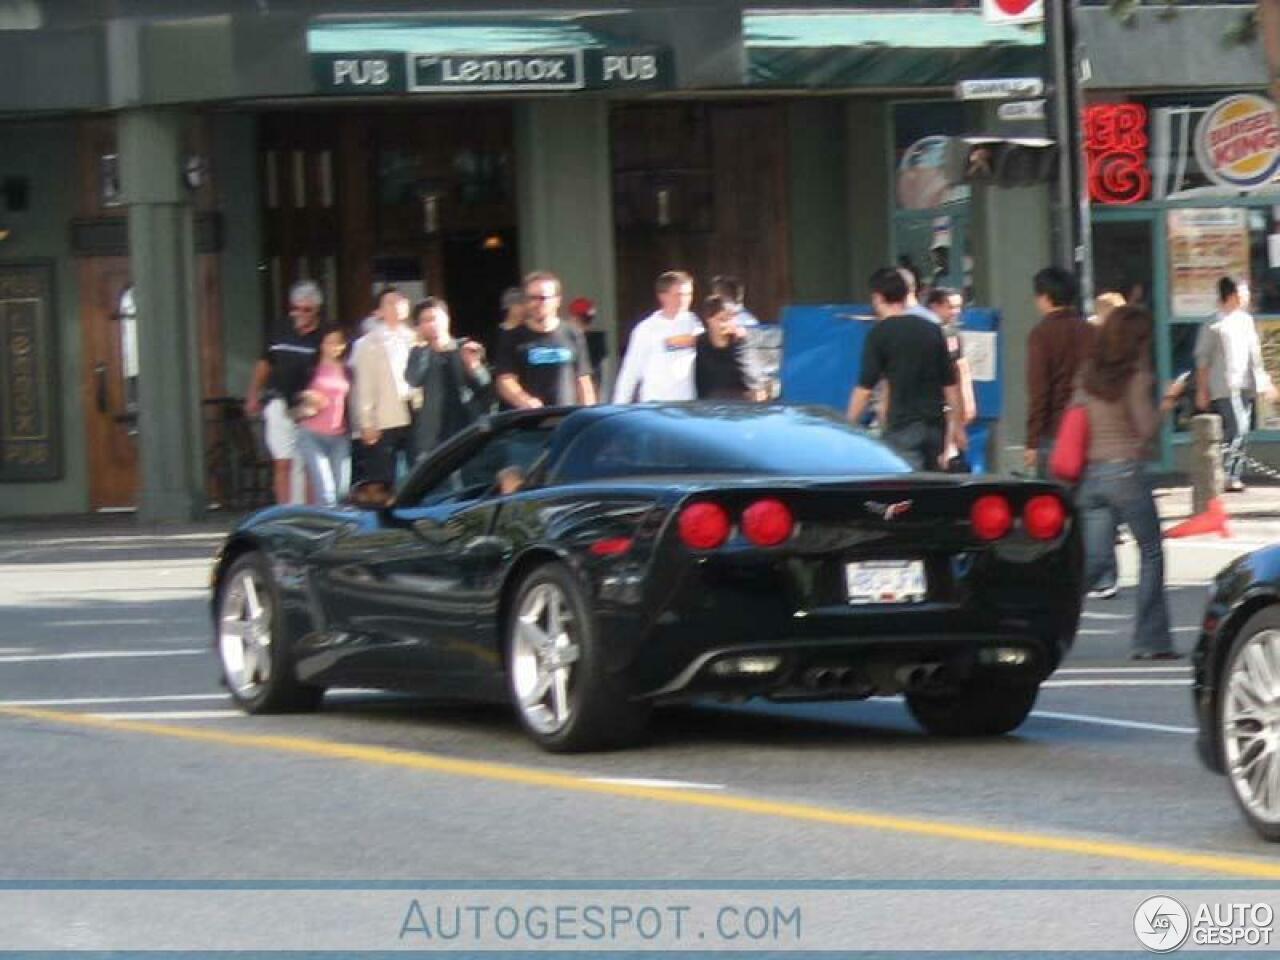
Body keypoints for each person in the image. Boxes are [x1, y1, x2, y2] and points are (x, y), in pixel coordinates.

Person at [1076, 306, 1179, 660]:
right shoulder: (1134, 378)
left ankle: (1041, 621)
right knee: (1150, 552)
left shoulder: (1088, 375)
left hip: (1093, 475)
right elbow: (1145, 429)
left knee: (1092, 563)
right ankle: (1151, 640)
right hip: (1126, 473)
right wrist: (1166, 404)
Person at [846, 267, 966, 470]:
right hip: (935, 426)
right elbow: (951, 385)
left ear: (877, 298)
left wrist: (847, 426)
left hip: (902, 426)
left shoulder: (879, 334)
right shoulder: (932, 329)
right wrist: (958, 427)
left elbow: (865, 389)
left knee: (908, 491)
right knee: (933, 487)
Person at [244, 280, 324, 504]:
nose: (300, 313)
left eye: (306, 309)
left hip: (308, 406)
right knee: (282, 461)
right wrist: (253, 394)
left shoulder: (322, 335)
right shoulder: (279, 329)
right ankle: (284, 513)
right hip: (279, 401)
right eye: (295, 308)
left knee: (309, 462)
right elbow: (264, 363)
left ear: (317, 309)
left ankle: (310, 513)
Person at [1195, 276, 1275, 492]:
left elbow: (1255, 355)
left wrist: (1264, 382)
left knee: (1242, 430)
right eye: (1243, 292)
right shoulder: (1213, 324)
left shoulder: (1246, 321)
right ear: (1231, 295)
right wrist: (1202, 390)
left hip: (1246, 384)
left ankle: (1232, 473)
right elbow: (1203, 360)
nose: (1247, 296)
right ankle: (1228, 475)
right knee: (1237, 427)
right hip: (1224, 386)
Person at [404, 298, 494, 459]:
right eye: (425, 321)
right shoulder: (418, 353)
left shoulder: (465, 346)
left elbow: (485, 384)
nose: (432, 324)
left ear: (447, 319)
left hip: (467, 425)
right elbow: (413, 379)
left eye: (435, 318)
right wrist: (423, 346)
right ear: (419, 326)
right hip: (434, 431)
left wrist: (474, 366)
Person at [1025, 266, 1094, 477]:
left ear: (1045, 297)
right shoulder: (1090, 332)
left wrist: (1032, 441)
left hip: (1055, 429)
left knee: (1056, 500)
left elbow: (1039, 391)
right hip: (1089, 426)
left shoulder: (1041, 335)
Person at [496, 271, 596, 408]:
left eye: (543, 298)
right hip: (530, 423)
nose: (537, 303)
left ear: (557, 300)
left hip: (566, 419)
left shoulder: (573, 334)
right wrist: (524, 400)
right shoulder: (512, 337)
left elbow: (584, 381)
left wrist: (589, 414)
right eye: (532, 298)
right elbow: (505, 380)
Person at [353, 286, 417, 487]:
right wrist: (366, 421)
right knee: (382, 475)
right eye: (390, 302)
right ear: (378, 312)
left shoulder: (415, 338)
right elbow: (364, 384)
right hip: (384, 416)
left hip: (415, 411)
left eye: (400, 300)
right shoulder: (368, 343)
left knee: (415, 472)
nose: (397, 305)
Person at [613, 271, 702, 403]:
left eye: (689, 294)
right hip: (655, 405)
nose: (684, 299)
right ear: (663, 296)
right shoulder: (646, 329)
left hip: (688, 405)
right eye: (678, 295)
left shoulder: (694, 322)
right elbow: (630, 372)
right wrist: (618, 407)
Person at [293, 325, 352, 508]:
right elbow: (292, 393)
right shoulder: (309, 368)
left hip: (339, 435)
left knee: (341, 491)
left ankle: (337, 532)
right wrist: (307, 396)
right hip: (311, 433)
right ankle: (325, 533)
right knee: (325, 491)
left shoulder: (348, 370)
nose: (333, 346)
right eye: (329, 342)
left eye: (338, 342)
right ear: (321, 344)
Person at [695, 296, 755, 400]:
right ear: (708, 319)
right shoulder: (700, 344)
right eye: (721, 319)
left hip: (738, 406)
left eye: (730, 319)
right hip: (707, 407)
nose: (726, 324)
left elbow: (751, 377)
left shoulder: (739, 343)